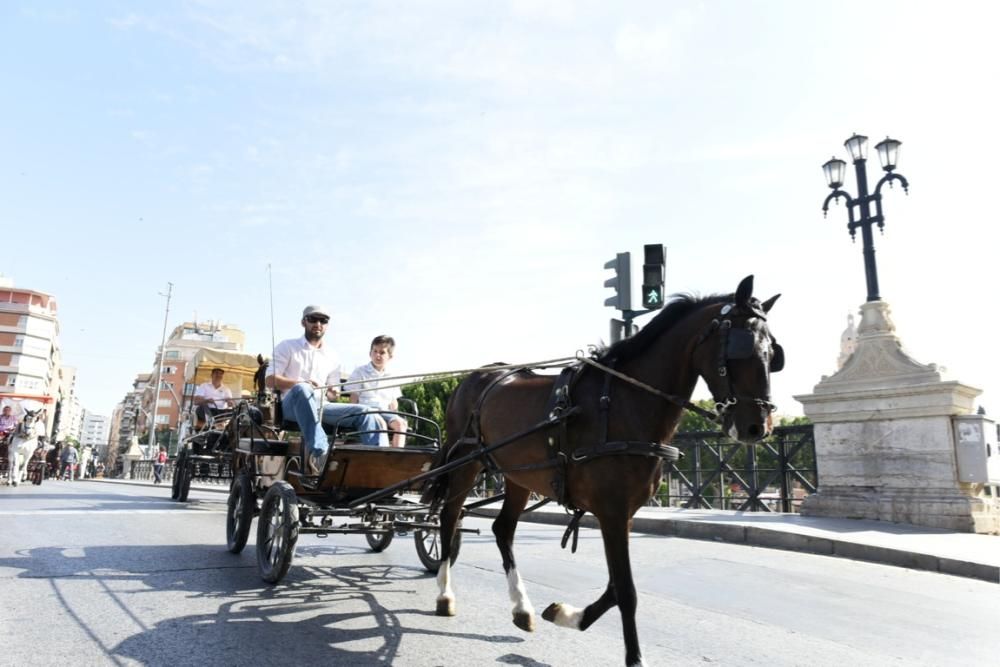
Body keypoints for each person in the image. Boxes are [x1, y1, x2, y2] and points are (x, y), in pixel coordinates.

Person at [266, 305, 382, 475]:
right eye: (313, 319)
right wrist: (300, 382)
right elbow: (269, 380)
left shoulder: (333, 356)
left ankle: (379, 467)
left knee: (367, 412)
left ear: (327, 325)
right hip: (291, 406)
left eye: (323, 320)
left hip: (322, 405)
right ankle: (321, 451)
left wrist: (332, 392)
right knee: (302, 388)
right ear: (303, 322)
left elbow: (331, 393)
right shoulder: (287, 346)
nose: (318, 323)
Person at [348, 335, 407, 447]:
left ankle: (397, 459)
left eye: (382, 352)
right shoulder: (360, 371)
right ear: (370, 353)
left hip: (385, 411)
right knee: (380, 423)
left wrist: (395, 417)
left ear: (390, 356)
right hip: (367, 410)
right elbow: (354, 397)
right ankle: (382, 458)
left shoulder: (392, 375)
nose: (377, 355)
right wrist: (352, 415)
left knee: (402, 424)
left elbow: (393, 402)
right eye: (374, 351)